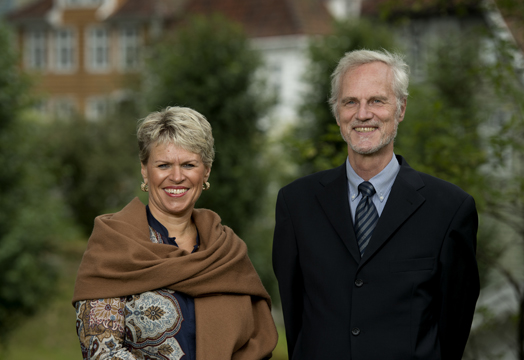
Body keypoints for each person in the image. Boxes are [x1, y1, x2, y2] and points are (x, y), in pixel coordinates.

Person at [272, 49, 479, 360]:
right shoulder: (296, 204)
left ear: (401, 108)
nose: (363, 114)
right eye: (350, 101)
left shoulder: (449, 209)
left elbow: (453, 330)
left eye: (377, 101)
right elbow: (295, 315)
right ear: (336, 110)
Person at [73, 106, 277, 360]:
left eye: (189, 164)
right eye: (164, 165)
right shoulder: (114, 244)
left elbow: (257, 344)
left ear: (206, 171)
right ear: (145, 170)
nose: (177, 176)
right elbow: (102, 351)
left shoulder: (227, 251)